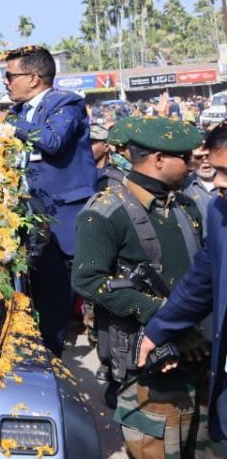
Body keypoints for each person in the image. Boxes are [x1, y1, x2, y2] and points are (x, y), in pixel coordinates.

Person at [72, 117, 215, 456]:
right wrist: (164, 315)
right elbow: (88, 279)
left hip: (196, 355)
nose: (193, 164)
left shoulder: (185, 205)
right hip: (149, 364)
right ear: (158, 159)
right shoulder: (106, 211)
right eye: (185, 157)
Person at [0, 45, 97, 356]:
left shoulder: (65, 103)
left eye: (10, 76)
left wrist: (10, 124)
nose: (6, 83)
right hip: (26, 216)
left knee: (54, 294)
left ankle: (51, 358)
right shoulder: (18, 112)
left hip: (59, 219)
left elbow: (52, 141)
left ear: (34, 77)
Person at [139, 123, 227, 446]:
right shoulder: (220, 211)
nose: (217, 181)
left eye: (224, 171)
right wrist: (158, 328)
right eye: (216, 170)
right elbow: (203, 279)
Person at [185, 143, 219, 223]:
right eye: (199, 157)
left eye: (208, 156)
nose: (205, 161)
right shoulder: (184, 185)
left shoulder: (224, 182)